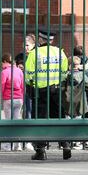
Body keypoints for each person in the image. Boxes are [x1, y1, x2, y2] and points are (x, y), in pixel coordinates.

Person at [24, 27, 71, 161]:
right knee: (59, 118)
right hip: (56, 90)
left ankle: (41, 150)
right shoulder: (59, 52)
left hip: (40, 92)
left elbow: (28, 75)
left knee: (40, 120)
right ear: (52, 39)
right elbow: (64, 72)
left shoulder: (35, 53)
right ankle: (65, 145)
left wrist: (32, 85)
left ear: (40, 39)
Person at [0, 53, 24, 151]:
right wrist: (22, 98)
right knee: (16, 122)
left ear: (5, 62)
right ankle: (18, 145)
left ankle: (8, 145)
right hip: (19, 99)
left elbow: (1, 87)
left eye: (2, 63)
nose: (2, 65)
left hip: (8, 99)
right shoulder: (19, 71)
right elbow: (22, 86)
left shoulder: (4, 72)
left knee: (8, 122)